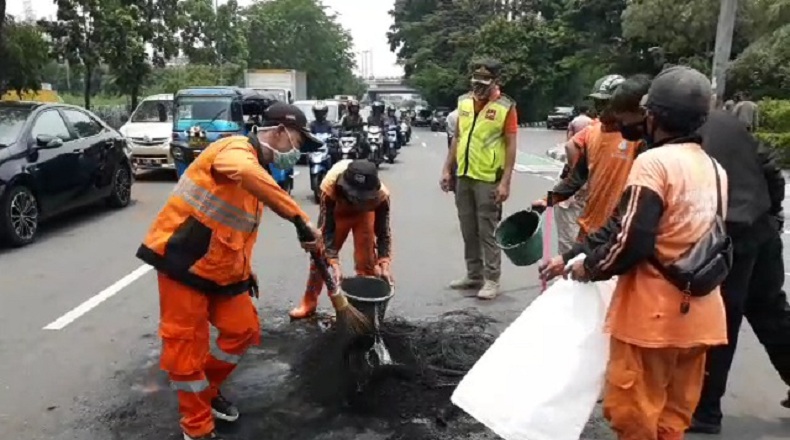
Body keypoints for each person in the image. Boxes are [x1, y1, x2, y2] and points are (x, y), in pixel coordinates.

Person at [556, 65, 729, 440]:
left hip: (652, 318)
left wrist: (588, 266)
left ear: (652, 116)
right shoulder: (714, 168)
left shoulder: (653, 163)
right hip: (701, 317)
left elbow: (630, 239)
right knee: (672, 417)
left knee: (631, 413)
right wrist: (577, 252)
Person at [135, 103, 323, 440]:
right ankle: (197, 428)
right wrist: (300, 219)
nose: (297, 152)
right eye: (297, 141)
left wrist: (245, 271)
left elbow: (236, 230)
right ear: (279, 131)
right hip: (184, 262)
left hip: (224, 270)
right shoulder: (234, 150)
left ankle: (207, 390)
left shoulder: (260, 168)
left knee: (242, 329)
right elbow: (246, 175)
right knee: (185, 347)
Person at [685, 109, 790, 433]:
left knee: (718, 321)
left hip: (725, 236)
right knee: (771, 311)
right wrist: (772, 212)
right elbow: (771, 171)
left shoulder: (674, 130)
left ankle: (706, 410)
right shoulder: (729, 123)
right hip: (760, 228)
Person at [531, 74, 645, 256]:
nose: (600, 109)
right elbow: (576, 178)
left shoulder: (637, 140)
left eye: (606, 103)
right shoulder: (592, 134)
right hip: (588, 232)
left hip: (616, 236)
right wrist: (547, 201)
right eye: (597, 103)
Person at [439, 58, 518, 299]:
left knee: (488, 230)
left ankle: (492, 279)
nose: (478, 87)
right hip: (464, 175)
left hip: (488, 178)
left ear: (496, 81)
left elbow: (511, 144)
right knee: (468, 228)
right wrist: (446, 169)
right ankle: (474, 274)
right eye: (475, 81)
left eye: (484, 82)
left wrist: (505, 182)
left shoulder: (506, 107)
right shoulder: (463, 102)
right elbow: (458, 138)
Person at [289, 159, 393, 319]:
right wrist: (334, 263)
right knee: (321, 259)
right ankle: (308, 302)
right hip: (338, 214)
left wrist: (384, 263)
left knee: (367, 261)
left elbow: (383, 232)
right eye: (354, 196)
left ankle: (364, 309)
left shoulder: (381, 196)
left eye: (361, 198)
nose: (356, 201)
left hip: (364, 216)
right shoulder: (329, 186)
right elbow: (326, 230)